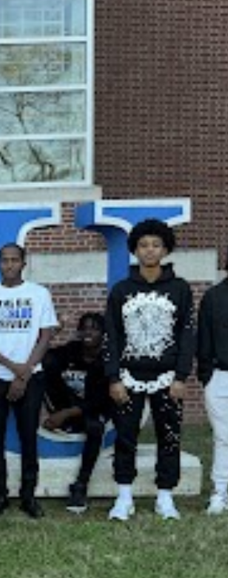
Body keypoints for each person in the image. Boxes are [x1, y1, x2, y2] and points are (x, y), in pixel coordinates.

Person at [104, 219, 195, 521]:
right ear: (134, 250)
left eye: (156, 245)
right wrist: (114, 377)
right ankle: (124, 496)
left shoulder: (180, 289)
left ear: (165, 248)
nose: (150, 251)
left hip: (168, 378)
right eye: (143, 245)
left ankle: (165, 497)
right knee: (125, 435)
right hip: (129, 377)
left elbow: (187, 334)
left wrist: (181, 376)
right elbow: (111, 336)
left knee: (168, 435)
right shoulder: (121, 290)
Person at [0, 243, 58, 518]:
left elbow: (46, 335)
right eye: (4, 260)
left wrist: (25, 371)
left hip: (31, 376)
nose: (9, 265)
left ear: (23, 263)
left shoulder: (39, 294)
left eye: (14, 260)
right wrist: (13, 368)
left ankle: (28, 495)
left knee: (28, 435)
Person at [42, 312, 111, 514]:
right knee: (45, 367)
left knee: (95, 428)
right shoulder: (70, 351)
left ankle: (80, 485)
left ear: (104, 334)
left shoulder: (107, 359)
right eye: (85, 328)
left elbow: (99, 400)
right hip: (65, 408)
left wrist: (64, 415)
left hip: (91, 410)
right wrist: (56, 331)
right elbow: (39, 357)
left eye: (95, 328)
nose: (89, 332)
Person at [198, 253, 228, 515]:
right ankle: (220, 492)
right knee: (223, 437)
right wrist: (207, 375)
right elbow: (203, 339)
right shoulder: (214, 297)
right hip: (220, 376)